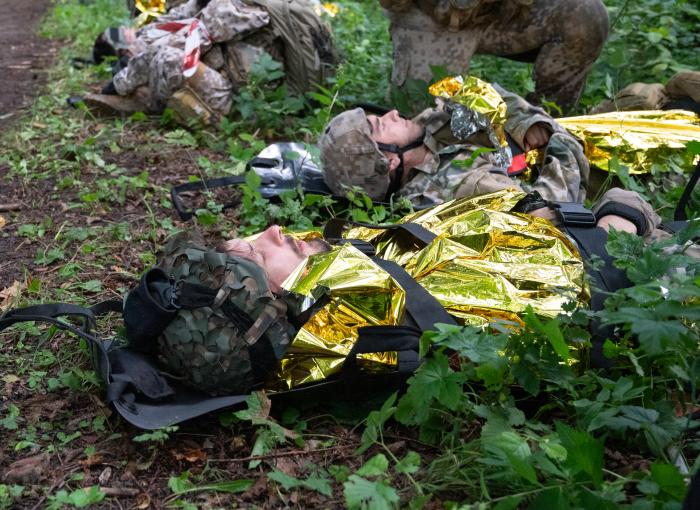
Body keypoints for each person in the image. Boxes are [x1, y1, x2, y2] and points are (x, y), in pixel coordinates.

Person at [203, 186, 668, 390]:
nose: (272, 230)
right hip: (639, 269)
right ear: (274, 299)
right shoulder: (375, 313)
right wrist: (610, 228)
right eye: (260, 253)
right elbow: (581, 314)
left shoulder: (360, 262)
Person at [319, 80, 589, 209]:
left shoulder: (423, 134)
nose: (391, 115)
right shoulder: (461, 185)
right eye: (381, 126)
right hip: (588, 167)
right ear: (389, 161)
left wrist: (527, 125)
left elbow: (485, 93)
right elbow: (555, 206)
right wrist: (562, 142)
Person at [84, 0, 337, 123]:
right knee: (159, 54)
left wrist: (118, 82)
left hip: (244, 100)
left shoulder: (242, 6)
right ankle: (143, 91)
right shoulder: (212, 1)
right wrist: (135, 44)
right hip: (232, 79)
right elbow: (173, 22)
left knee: (167, 58)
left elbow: (187, 39)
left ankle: (143, 100)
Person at [380, 0, 609, 113]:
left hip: (504, 13)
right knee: (426, 118)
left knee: (585, 16)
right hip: (432, 15)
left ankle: (544, 125)